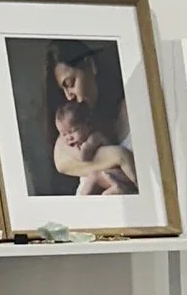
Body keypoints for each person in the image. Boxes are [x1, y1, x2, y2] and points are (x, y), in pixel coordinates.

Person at [44, 43, 138, 196]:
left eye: (71, 83)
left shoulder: (135, 106)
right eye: (64, 89)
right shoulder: (74, 129)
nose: (69, 96)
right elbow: (60, 162)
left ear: (91, 65)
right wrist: (119, 156)